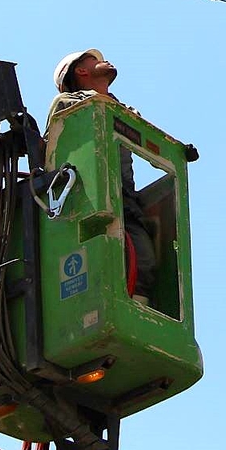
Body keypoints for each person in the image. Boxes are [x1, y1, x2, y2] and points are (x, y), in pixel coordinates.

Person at [49, 49, 156, 307]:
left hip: (125, 200)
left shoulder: (120, 109)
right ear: (80, 71)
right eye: (94, 60)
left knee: (144, 261)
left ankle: (135, 313)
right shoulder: (67, 103)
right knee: (103, 257)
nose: (104, 61)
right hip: (87, 199)